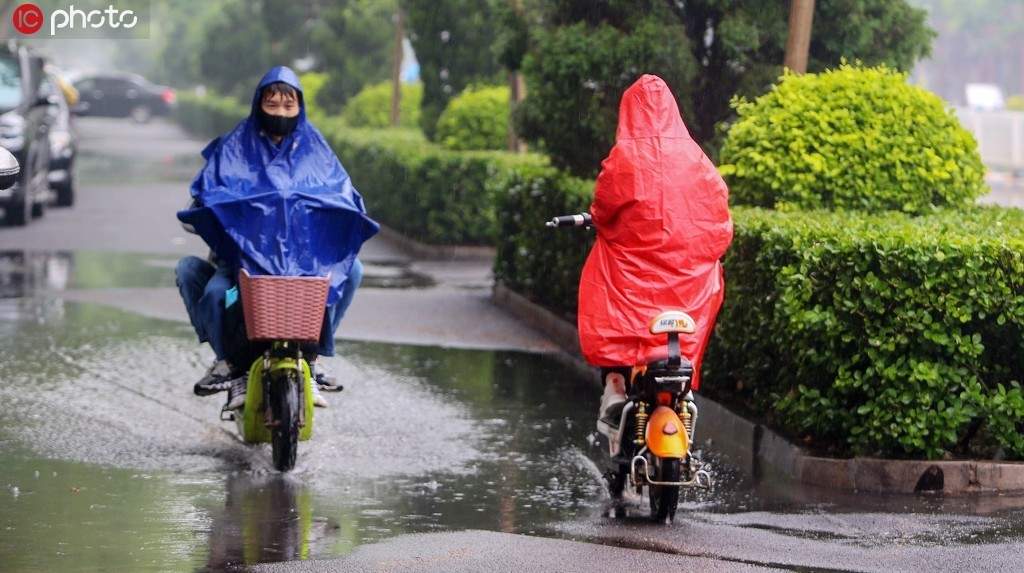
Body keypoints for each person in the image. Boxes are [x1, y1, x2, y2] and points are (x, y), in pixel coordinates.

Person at [175, 66, 378, 409]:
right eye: (273, 105)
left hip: (306, 261)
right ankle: (230, 364)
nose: (281, 113)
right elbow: (209, 190)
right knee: (214, 294)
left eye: (288, 106)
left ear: (300, 107)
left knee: (352, 272)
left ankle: (314, 361)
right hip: (244, 263)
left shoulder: (316, 150)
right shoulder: (234, 147)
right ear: (259, 105)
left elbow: (339, 191)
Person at [576, 75, 733, 424]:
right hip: (686, 284)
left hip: (632, 278)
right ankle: (682, 388)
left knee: (601, 278)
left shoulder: (625, 157)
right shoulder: (696, 157)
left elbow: (603, 209)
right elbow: (719, 212)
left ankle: (615, 382)